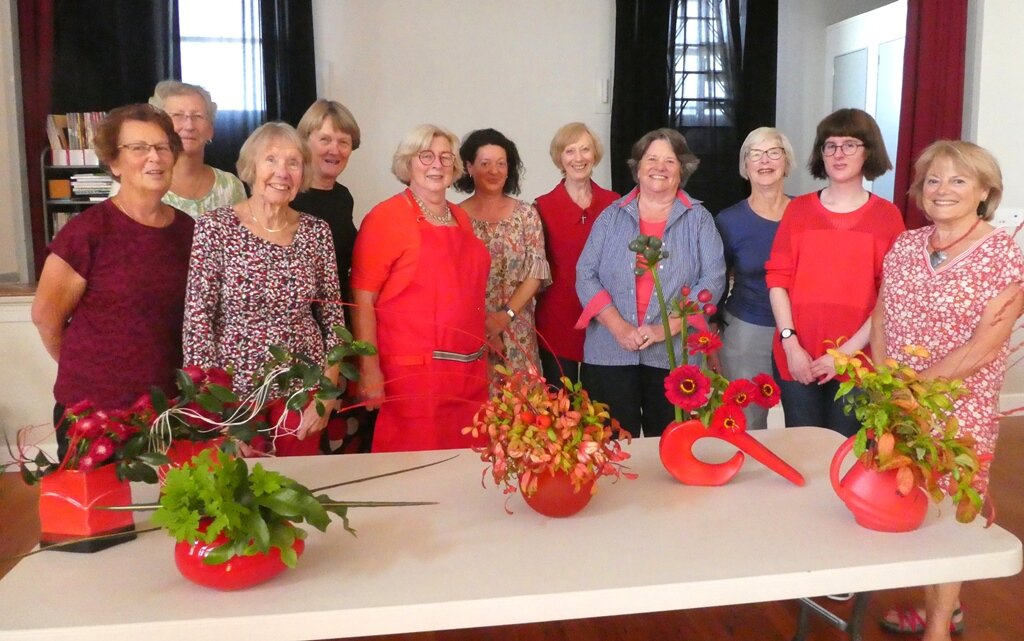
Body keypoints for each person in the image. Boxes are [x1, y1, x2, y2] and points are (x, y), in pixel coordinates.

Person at [874, 141, 1023, 641]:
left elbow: (987, 344)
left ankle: (938, 626)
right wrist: (883, 382)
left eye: (959, 180)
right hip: (898, 402)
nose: (943, 190)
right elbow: (882, 315)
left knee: (952, 509)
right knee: (908, 498)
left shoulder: (1001, 252)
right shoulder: (906, 245)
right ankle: (934, 606)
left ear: (985, 191)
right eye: (933, 180)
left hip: (961, 409)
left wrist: (916, 388)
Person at [31, 104, 194, 460]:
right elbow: (46, 316)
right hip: (95, 415)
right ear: (114, 162)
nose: (154, 157)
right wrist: (91, 372)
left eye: (163, 147)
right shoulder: (87, 232)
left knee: (170, 513)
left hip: (168, 412)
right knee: (105, 516)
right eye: (138, 148)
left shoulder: (188, 232)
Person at [182, 122, 346, 456]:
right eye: (271, 160)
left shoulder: (317, 232)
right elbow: (197, 321)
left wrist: (328, 393)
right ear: (251, 167)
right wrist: (216, 411)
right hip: (235, 395)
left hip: (303, 390)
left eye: (294, 163)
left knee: (299, 492)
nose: (282, 172)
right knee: (237, 497)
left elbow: (333, 317)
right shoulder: (215, 227)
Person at [576, 128, 725, 438]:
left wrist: (665, 328)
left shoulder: (700, 219)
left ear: (682, 170)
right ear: (638, 167)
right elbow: (585, 275)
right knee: (613, 448)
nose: (660, 167)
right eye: (652, 159)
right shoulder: (610, 216)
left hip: (673, 356)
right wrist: (619, 327)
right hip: (610, 352)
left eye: (670, 161)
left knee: (672, 446)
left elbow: (713, 279)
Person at [350, 124, 491, 452]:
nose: (437, 165)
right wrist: (368, 368)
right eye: (426, 156)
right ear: (408, 163)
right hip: (414, 375)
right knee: (414, 470)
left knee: (464, 468)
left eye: (445, 157)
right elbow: (362, 299)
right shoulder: (385, 217)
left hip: (467, 368)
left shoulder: (460, 217)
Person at [765, 108, 904, 436]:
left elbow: (889, 297)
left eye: (850, 144)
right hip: (796, 356)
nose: (839, 154)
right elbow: (777, 280)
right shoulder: (798, 210)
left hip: (858, 360)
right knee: (803, 451)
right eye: (830, 145)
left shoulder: (887, 216)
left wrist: (844, 354)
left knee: (846, 453)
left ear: (868, 152)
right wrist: (790, 344)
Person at [454, 128, 550, 386]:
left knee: (523, 417)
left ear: (509, 169)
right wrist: (484, 325)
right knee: (474, 416)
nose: (493, 171)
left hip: (517, 330)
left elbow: (536, 274)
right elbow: (452, 280)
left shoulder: (527, 214)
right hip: (470, 331)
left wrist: (503, 317)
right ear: (469, 167)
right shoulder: (455, 217)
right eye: (485, 164)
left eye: (501, 164)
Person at [714, 127, 795, 430]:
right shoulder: (729, 220)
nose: (765, 161)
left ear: (786, 163)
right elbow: (717, 282)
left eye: (774, 152)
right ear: (745, 166)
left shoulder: (807, 213)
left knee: (803, 421)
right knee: (748, 422)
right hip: (746, 332)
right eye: (755, 154)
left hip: (802, 334)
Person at [534, 123, 619, 388]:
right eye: (570, 151)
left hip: (605, 319)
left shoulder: (614, 203)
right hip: (557, 320)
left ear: (595, 154)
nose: (578, 158)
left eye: (585, 150)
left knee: (604, 409)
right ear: (560, 157)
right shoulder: (542, 207)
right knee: (561, 409)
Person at [292, 99, 361, 298]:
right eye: (325, 140)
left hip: (339, 315)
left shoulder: (343, 197)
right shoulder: (288, 197)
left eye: (343, 142)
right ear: (305, 142)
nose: (335, 150)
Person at [147, 80, 246, 216]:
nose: (189, 126)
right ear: (159, 126)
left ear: (210, 129)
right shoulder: (143, 183)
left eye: (198, 116)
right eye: (177, 115)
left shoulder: (231, 186)